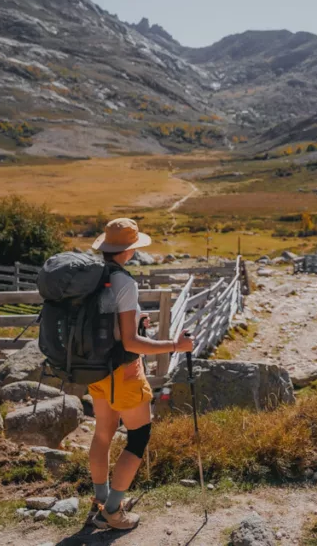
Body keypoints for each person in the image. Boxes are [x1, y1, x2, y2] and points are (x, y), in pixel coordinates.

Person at [86, 218, 193, 531]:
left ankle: (101, 498)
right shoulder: (125, 283)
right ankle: (114, 511)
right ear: (129, 250)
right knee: (139, 436)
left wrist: (132, 321)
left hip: (95, 368)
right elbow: (131, 342)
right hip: (123, 372)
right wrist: (176, 344)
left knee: (103, 433)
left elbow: (109, 325)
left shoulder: (92, 276)